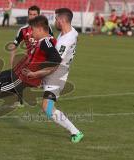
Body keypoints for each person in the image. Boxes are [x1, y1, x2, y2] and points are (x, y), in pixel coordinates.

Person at [24, 8, 84, 143]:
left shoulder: (65, 41)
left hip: (57, 73)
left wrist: (36, 74)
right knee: (24, 83)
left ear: (62, 20)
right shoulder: (71, 32)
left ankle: (76, 132)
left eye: (56, 19)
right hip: (57, 70)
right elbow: (76, 38)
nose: (55, 22)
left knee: (48, 108)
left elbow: (54, 64)